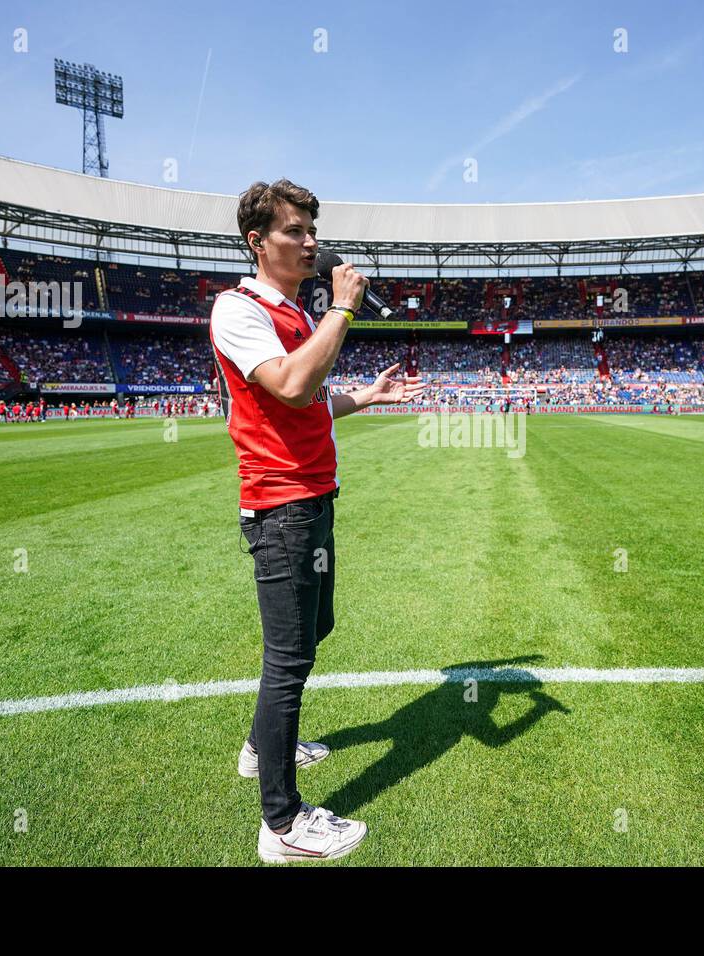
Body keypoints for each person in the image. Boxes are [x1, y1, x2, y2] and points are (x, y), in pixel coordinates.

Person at [209, 178, 425, 864]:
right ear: (256, 242)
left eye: (311, 231)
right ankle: (281, 824)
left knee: (315, 627)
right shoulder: (239, 310)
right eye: (294, 232)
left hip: (312, 500)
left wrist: (366, 395)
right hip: (282, 508)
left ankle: (260, 746)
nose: (310, 243)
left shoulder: (297, 318)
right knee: (289, 656)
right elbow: (294, 385)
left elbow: (311, 404)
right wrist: (343, 307)